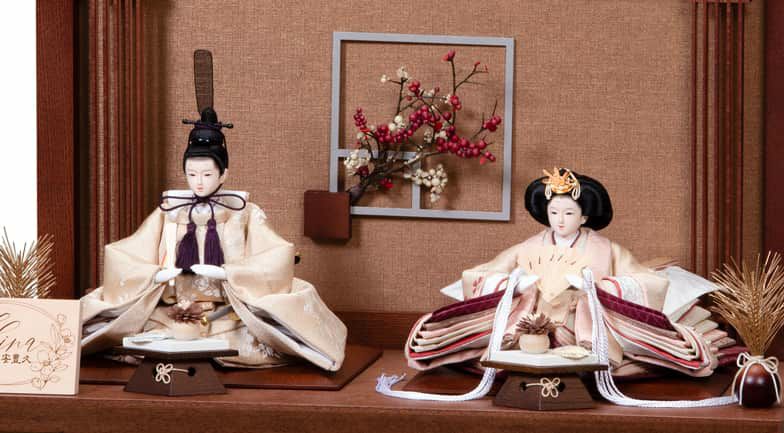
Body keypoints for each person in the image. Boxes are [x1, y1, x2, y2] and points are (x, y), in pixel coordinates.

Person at [80, 107, 347, 371]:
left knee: (250, 335)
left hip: (229, 310)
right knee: (143, 332)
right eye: (191, 174)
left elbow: (275, 255)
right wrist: (155, 275)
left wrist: (228, 273)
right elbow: (126, 253)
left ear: (223, 174)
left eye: (207, 174)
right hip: (170, 307)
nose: (198, 182)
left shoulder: (242, 211)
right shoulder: (169, 210)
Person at [406, 168, 738, 377]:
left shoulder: (607, 249)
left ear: (584, 217)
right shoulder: (527, 247)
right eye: (554, 212)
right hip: (530, 321)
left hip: (586, 321)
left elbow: (646, 281)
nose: (560, 220)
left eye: (568, 213)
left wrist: (599, 287)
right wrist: (513, 284)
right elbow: (480, 274)